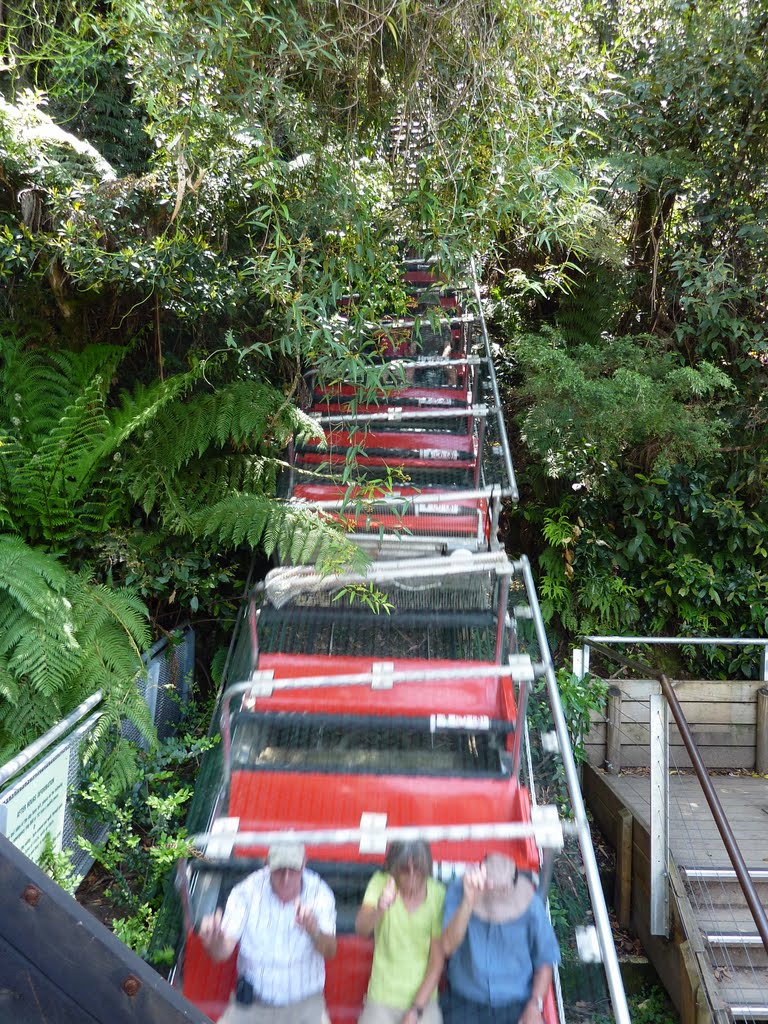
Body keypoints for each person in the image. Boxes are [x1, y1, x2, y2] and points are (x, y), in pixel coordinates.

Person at [198, 840, 337, 1024]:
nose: (286, 878)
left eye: (293, 869)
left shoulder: (320, 893)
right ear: (267, 865)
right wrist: (213, 940)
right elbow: (221, 953)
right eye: (279, 869)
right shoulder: (246, 892)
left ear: (304, 864)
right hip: (253, 1004)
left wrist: (314, 931)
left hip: (305, 1006)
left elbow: (330, 951)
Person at [441, 853, 560, 1024]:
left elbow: (545, 961)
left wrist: (534, 1005)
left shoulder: (531, 905)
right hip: (464, 1001)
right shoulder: (458, 892)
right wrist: (468, 903)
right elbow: (447, 947)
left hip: (516, 1003)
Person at [355, 840, 445, 1024]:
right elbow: (361, 929)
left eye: (418, 868)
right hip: (382, 996)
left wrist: (415, 1011)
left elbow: (436, 963)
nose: (412, 874)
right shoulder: (380, 883)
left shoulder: (437, 894)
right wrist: (380, 907)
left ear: (426, 867)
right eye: (405, 869)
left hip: (423, 999)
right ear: (394, 869)